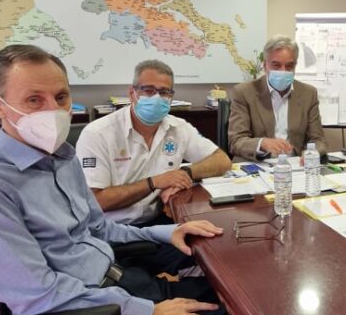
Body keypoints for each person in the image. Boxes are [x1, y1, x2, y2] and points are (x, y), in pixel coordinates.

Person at [0, 45, 277, 315]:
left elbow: (100, 229)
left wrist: (168, 232)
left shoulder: (61, 157)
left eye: (60, 97)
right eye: (34, 100)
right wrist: (145, 312)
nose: (53, 110)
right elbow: (38, 295)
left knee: (249, 302)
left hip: (122, 284)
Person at [76, 59, 231, 227]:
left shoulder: (178, 128)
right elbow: (96, 201)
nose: (157, 98)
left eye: (164, 92)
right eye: (148, 90)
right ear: (132, 93)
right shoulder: (98, 133)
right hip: (110, 229)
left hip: (159, 221)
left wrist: (185, 173)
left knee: (212, 232)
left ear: (171, 97)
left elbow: (222, 160)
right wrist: (154, 182)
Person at [228, 35, 327, 159]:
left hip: (294, 164)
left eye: (289, 66)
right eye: (276, 65)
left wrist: (311, 154)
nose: (283, 71)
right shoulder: (244, 93)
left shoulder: (308, 94)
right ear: (265, 66)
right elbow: (236, 141)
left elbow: (318, 140)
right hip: (258, 164)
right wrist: (262, 143)